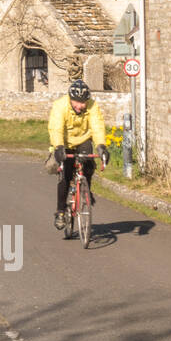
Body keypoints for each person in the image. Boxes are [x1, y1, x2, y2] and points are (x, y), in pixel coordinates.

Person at [48, 79, 109, 230]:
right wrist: (58, 147)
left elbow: (97, 126)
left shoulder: (92, 106)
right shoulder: (60, 106)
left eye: (83, 102)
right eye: (77, 102)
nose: (80, 106)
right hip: (65, 142)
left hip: (83, 139)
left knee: (88, 164)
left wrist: (101, 146)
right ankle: (61, 212)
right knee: (65, 175)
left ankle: (84, 189)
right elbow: (56, 128)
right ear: (70, 99)